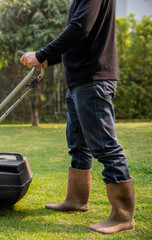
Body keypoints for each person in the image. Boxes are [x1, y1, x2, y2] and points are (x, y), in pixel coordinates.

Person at [20, 0, 134, 234]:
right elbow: (80, 39)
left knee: (104, 146)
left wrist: (41, 53)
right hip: (80, 80)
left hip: (92, 78)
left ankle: (123, 215)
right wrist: (47, 59)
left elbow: (79, 29)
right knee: (79, 145)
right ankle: (76, 200)